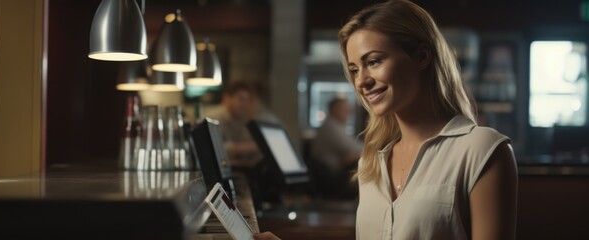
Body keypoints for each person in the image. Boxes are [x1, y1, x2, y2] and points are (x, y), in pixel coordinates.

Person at [254, 0, 517, 239]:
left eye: (374, 61)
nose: (361, 81)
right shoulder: (372, 161)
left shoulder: (482, 150)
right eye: (355, 69)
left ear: (422, 57)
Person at [309, 97, 362, 198]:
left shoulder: (337, 127)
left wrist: (354, 156)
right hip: (332, 179)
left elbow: (354, 148)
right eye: (345, 109)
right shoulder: (331, 127)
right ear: (334, 109)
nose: (348, 113)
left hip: (334, 176)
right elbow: (356, 148)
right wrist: (356, 156)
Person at [206, 81, 263, 170]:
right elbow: (210, 149)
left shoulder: (243, 119)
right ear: (227, 98)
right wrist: (248, 147)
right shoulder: (213, 118)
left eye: (247, 100)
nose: (245, 104)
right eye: (241, 99)